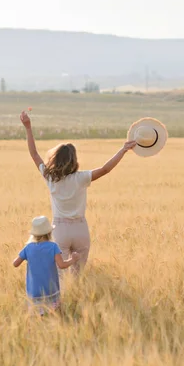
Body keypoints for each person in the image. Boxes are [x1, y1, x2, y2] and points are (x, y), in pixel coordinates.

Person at [19, 110, 138, 273]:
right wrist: (123, 150)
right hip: (80, 228)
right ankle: (78, 295)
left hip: (59, 228)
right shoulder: (81, 178)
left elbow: (34, 154)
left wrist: (28, 127)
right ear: (74, 160)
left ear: (55, 159)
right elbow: (105, 169)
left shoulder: (51, 178)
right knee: (78, 273)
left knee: (62, 275)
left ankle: (63, 297)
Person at [13, 215, 80, 314]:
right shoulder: (53, 247)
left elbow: (15, 263)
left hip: (33, 292)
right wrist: (73, 260)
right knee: (55, 314)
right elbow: (61, 265)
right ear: (49, 233)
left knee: (36, 317)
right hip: (50, 290)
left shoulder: (28, 248)